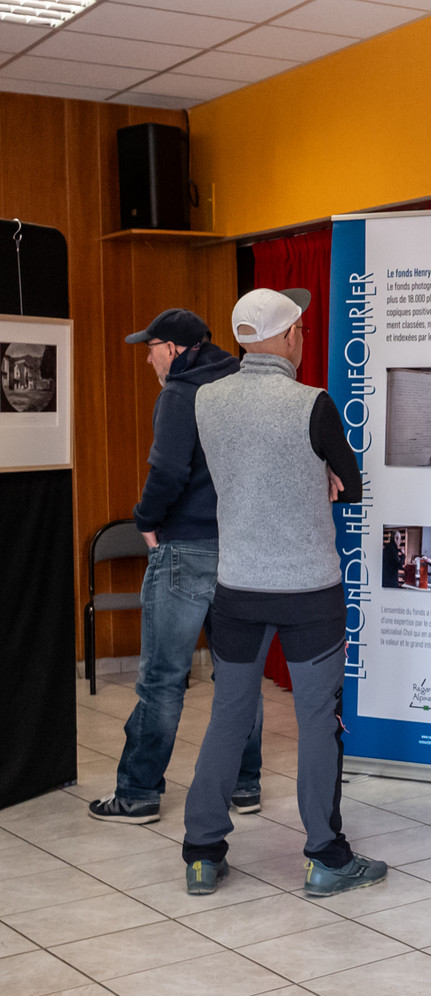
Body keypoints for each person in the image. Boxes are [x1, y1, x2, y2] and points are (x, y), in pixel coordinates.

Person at [181, 287, 386, 898]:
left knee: (228, 718)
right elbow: (349, 487)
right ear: (290, 336)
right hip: (307, 593)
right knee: (317, 722)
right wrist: (319, 475)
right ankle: (326, 857)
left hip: (238, 587)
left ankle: (201, 853)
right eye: (298, 327)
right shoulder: (313, 403)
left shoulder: (207, 401)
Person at [89, 309, 264, 825]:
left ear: (173, 349)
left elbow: (167, 470)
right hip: (240, 550)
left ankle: (139, 793)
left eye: (150, 348)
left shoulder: (180, 394)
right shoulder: (241, 385)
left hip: (185, 548)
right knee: (240, 676)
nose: (147, 359)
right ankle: (245, 784)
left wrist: (146, 520)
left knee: (163, 678)